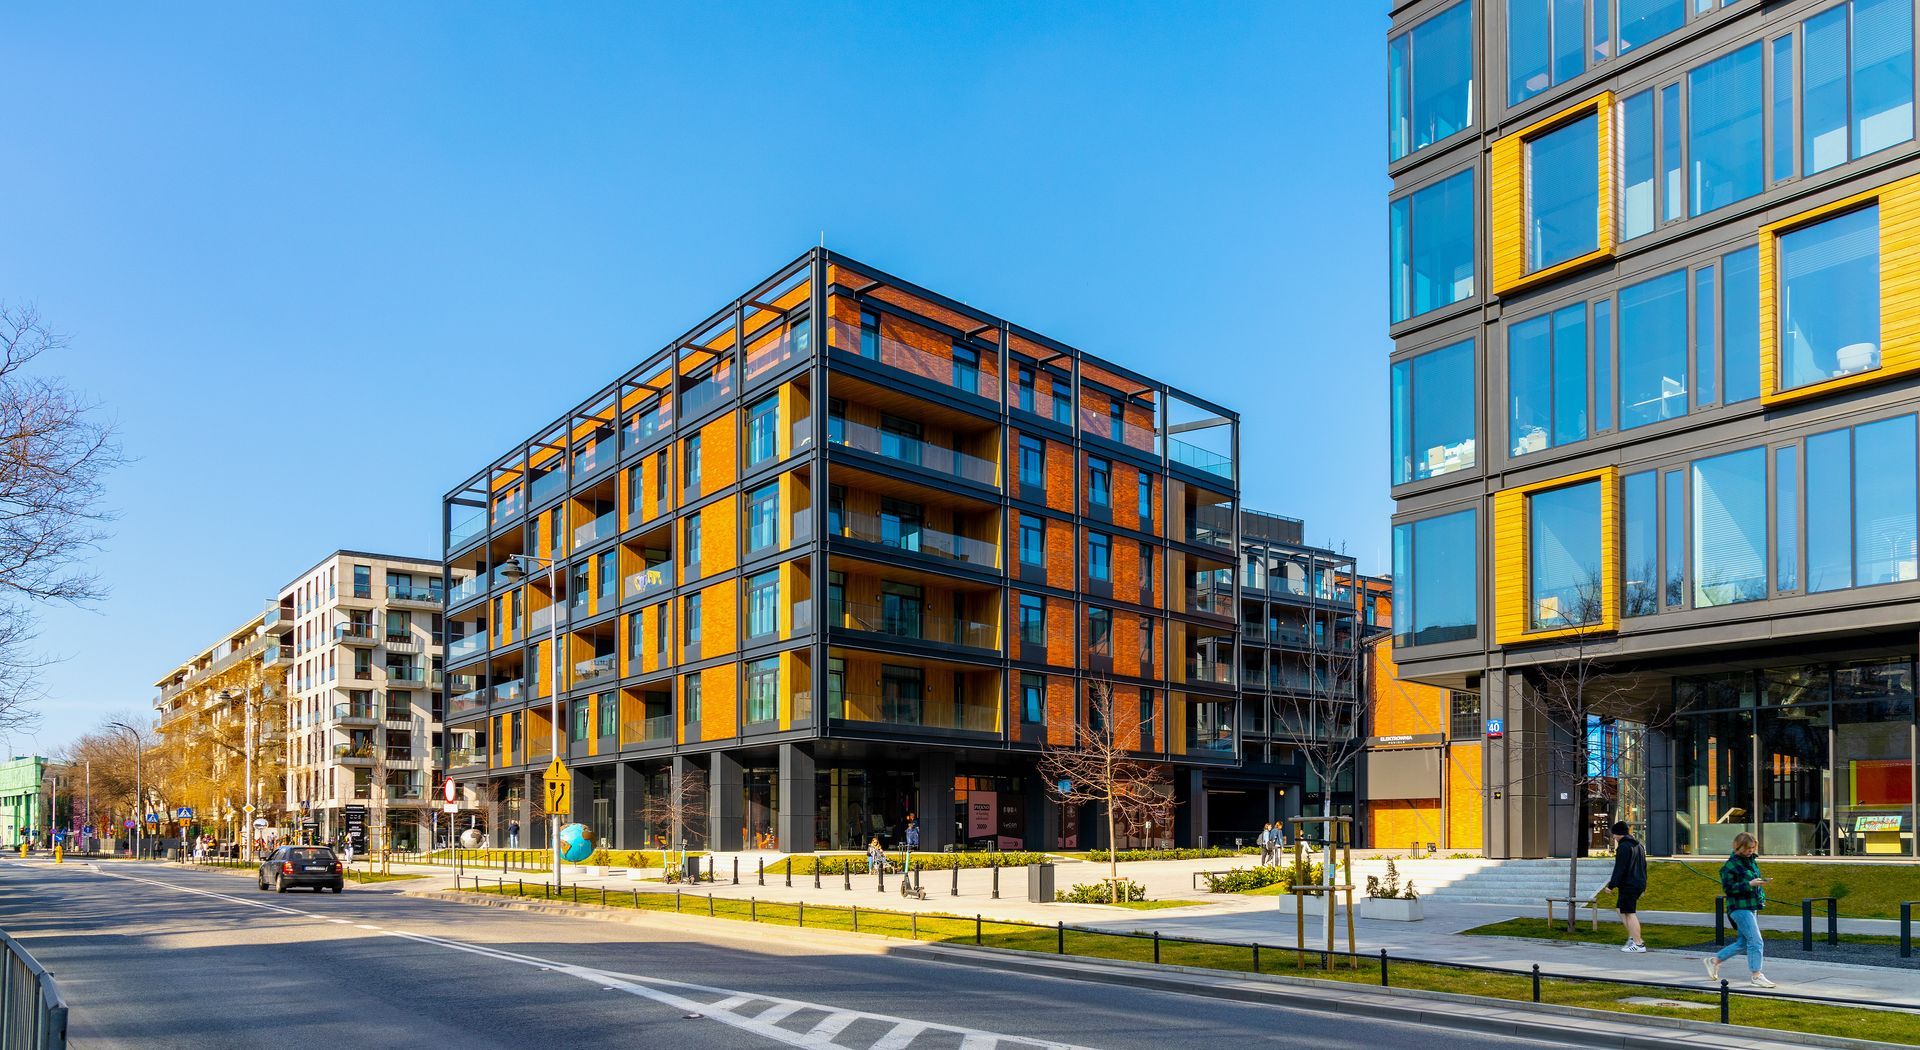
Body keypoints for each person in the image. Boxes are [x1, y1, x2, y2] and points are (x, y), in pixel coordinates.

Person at [1706, 831, 1775, 988]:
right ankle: (1756, 975)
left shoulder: (1751, 861)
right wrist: (1749, 884)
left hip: (1751, 906)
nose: (1751, 850)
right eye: (1748, 848)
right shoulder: (1730, 865)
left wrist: (1759, 886)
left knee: (1743, 942)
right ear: (1739, 847)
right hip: (1739, 907)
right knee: (1756, 941)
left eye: (1752, 847)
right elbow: (1728, 888)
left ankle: (1714, 961)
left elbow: (1752, 882)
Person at [1603, 820, 1648, 953]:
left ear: (1619, 834)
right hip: (1638, 882)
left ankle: (1638, 944)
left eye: (1614, 834)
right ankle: (1633, 937)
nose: (1613, 837)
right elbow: (1644, 866)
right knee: (1620, 909)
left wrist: (1611, 886)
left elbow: (1620, 868)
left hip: (1629, 884)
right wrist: (1643, 885)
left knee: (1629, 913)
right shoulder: (1638, 845)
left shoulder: (1623, 847)